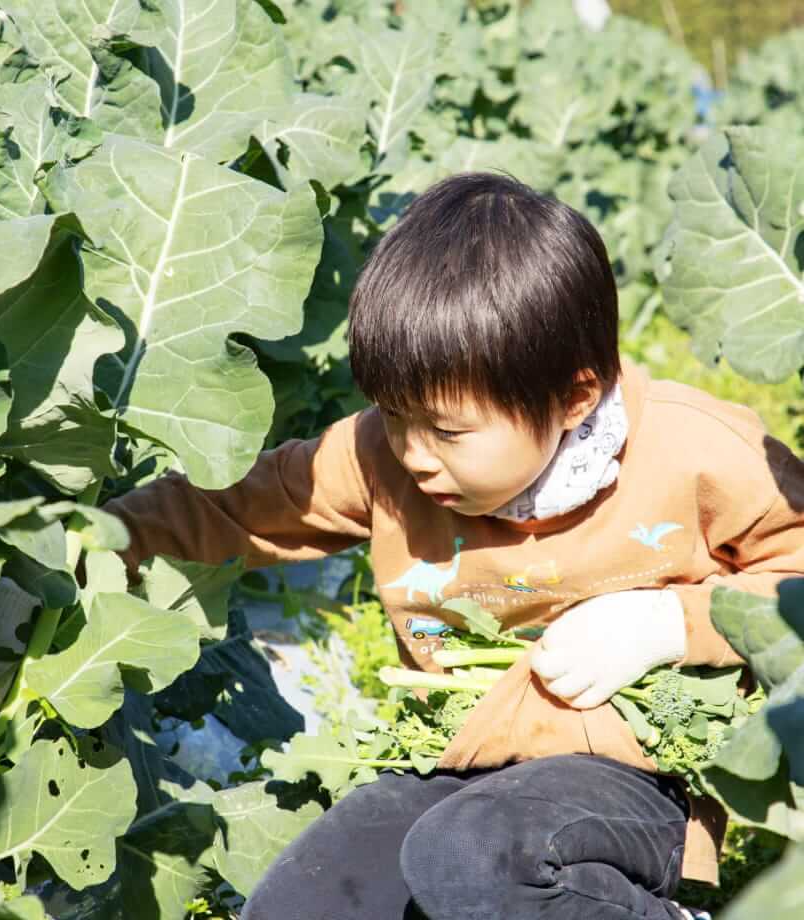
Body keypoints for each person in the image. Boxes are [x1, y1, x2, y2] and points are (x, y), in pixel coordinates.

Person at [104, 172, 804, 919]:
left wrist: (670, 623)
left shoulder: (697, 451)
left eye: (446, 431)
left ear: (574, 398)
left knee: (473, 856)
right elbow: (243, 506)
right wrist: (95, 542)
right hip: (458, 755)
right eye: (394, 417)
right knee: (297, 906)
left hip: (631, 772)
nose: (413, 454)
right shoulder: (383, 455)